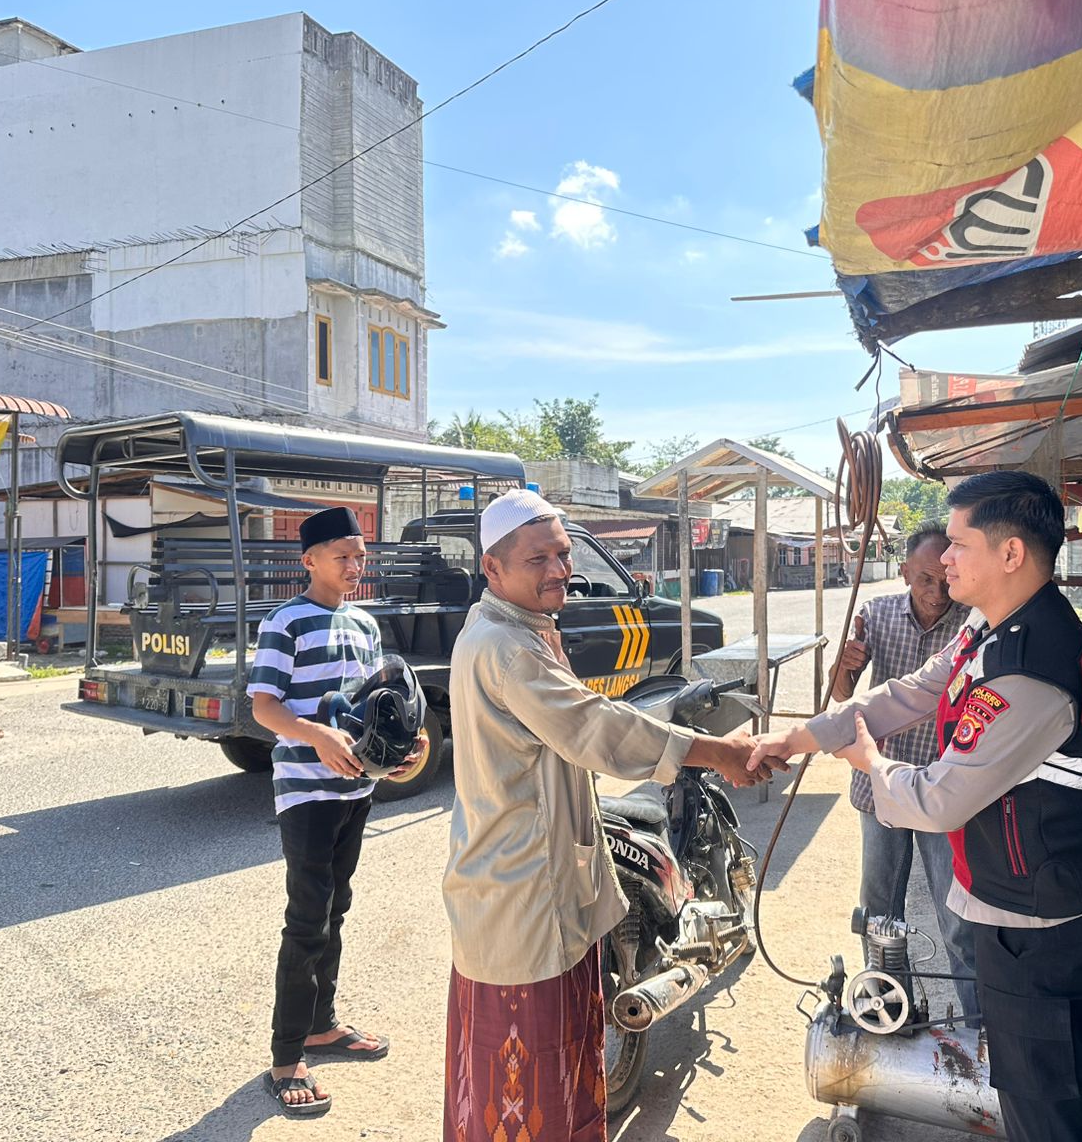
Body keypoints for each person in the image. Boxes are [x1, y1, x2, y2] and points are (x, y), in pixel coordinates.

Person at [749, 472, 1082, 1142]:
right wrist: (797, 737)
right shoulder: (994, 627)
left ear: (1011, 554)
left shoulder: (1031, 670)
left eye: (959, 543)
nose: (943, 558)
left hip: (1044, 925)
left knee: (1045, 1103)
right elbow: (910, 692)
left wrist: (870, 764)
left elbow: (939, 799)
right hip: (1053, 899)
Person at [441, 488, 777, 1142]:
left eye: (563, 555)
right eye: (538, 558)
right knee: (528, 1082)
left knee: (562, 1064)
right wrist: (714, 752)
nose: (558, 570)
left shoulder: (517, 629)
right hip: (522, 895)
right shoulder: (506, 646)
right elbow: (592, 727)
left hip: (532, 885)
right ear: (494, 569)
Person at [248, 505, 428, 1117]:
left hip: (355, 792)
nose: (356, 564)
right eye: (343, 555)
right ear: (310, 561)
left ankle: (322, 1026)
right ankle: (286, 1054)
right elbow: (265, 709)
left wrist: (404, 749)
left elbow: (378, 706)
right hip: (307, 793)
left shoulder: (365, 624)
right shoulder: (286, 623)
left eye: (360, 554)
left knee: (337, 908)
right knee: (307, 919)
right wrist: (317, 737)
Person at [830, 526, 977, 1022]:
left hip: (942, 791)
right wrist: (846, 666)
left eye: (944, 581)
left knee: (957, 918)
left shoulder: (971, 623)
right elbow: (840, 696)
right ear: (904, 574)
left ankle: (981, 1030)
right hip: (881, 790)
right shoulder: (876, 615)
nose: (937, 594)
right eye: (924, 581)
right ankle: (891, 1011)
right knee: (878, 914)